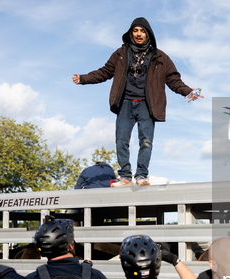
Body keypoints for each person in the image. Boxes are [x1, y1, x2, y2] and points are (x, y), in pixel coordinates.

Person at [73, 17, 202, 187]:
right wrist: (83, 78)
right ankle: (125, 176)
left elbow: (173, 79)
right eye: (135, 31)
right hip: (125, 102)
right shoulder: (121, 54)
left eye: (142, 31)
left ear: (148, 33)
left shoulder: (160, 57)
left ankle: (141, 176)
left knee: (146, 141)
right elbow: (104, 72)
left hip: (147, 105)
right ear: (131, 33)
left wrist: (188, 91)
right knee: (121, 140)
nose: (139, 34)